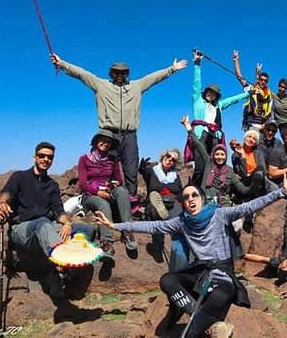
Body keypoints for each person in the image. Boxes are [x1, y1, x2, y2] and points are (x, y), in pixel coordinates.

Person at [93, 171, 287, 338]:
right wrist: (114, 225)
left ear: (202, 198)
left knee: (220, 295)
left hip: (223, 274)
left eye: (194, 194)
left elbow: (250, 205)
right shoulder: (181, 222)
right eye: (186, 197)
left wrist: (282, 191)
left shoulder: (219, 214)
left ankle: (191, 332)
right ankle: (210, 324)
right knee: (167, 279)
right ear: (183, 203)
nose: (190, 199)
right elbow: (152, 226)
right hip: (200, 272)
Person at [50, 52, 188, 197]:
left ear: (127, 74)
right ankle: (107, 201)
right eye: (116, 72)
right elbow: (82, 74)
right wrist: (62, 64)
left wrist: (171, 69)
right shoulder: (101, 85)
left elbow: (153, 78)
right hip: (108, 134)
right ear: (111, 73)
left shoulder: (136, 86)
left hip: (130, 135)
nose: (120, 75)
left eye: (123, 72)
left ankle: (131, 203)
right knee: (106, 170)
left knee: (131, 171)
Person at [0, 142, 93, 300]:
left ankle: (58, 271)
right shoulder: (19, 177)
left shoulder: (52, 185)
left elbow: (58, 210)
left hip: (46, 227)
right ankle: (62, 261)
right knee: (42, 223)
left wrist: (67, 224)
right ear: (34, 157)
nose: (45, 159)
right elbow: (8, 192)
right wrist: (2, 203)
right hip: (22, 230)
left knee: (87, 230)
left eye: (49, 157)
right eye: (42, 156)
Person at [190, 50, 251, 185]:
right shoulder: (198, 101)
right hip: (201, 134)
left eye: (214, 93)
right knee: (200, 166)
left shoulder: (218, 105)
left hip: (215, 135)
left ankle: (213, 189)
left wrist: (248, 94)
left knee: (215, 164)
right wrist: (197, 64)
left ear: (216, 96)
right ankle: (194, 190)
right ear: (205, 92)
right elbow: (196, 84)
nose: (210, 94)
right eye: (209, 92)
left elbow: (233, 100)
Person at [78, 129, 137, 260]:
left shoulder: (113, 160)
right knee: (102, 203)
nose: (106, 143)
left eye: (109, 142)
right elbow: (82, 184)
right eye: (103, 140)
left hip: (108, 190)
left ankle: (127, 231)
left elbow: (119, 180)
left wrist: (112, 185)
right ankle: (107, 242)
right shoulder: (83, 159)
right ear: (95, 142)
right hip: (90, 195)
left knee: (122, 191)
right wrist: (98, 192)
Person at [139, 148, 186, 265]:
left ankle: (179, 251)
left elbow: (180, 193)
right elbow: (143, 172)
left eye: (173, 159)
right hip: (156, 200)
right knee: (156, 210)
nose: (170, 160)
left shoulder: (175, 176)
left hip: (171, 201)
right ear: (163, 155)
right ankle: (158, 245)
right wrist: (142, 167)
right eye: (168, 156)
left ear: (175, 163)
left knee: (179, 222)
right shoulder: (152, 171)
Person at [233, 52, 273, 131]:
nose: (263, 82)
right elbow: (239, 77)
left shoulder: (269, 95)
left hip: (263, 128)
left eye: (265, 80)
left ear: (267, 82)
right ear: (259, 80)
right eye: (261, 80)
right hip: (251, 125)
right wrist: (236, 61)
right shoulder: (251, 89)